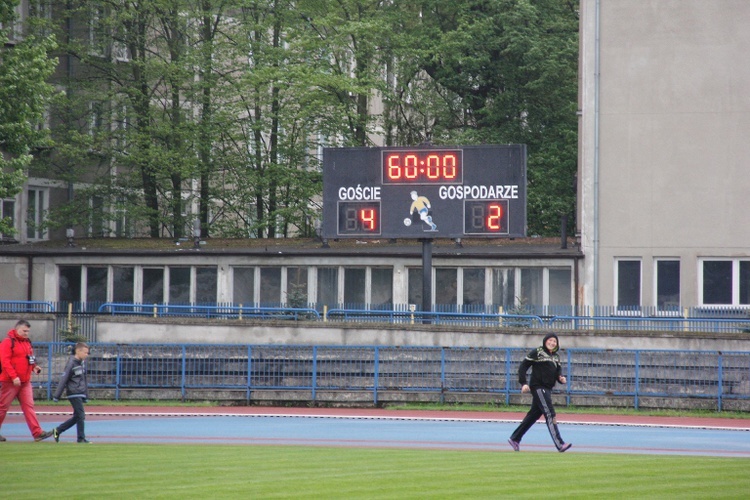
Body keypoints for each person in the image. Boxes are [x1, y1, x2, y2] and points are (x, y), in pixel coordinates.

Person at [508, 333, 572, 452]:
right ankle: (560, 444)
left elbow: (558, 372)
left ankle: (515, 438)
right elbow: (523, 366)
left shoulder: (556, 357)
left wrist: (561, 378)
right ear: (545, 341)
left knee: (534, 415)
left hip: (547, 388)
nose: (552, 343)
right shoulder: (537, 352)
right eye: (550, 340)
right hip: (538, 387)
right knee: (549, 413)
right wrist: (523, 383)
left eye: (554, 341)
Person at [0, 319, 53, 442]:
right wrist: (14, 377)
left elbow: (29, 358)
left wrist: (34, 367)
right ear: (17, 329)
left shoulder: (27, 342)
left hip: (24, 381)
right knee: (3, 408)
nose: (26, 333)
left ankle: (37, 433)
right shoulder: (7, 343)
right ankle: (37, 433)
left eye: (28, 331)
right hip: (10, 382)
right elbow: (5, 362)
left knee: (29, 407)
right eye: (24, 331)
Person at [50, 342, 91, 444]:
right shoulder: (71, 363)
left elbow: (84, 380)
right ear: (78, 351)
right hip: (73, 393)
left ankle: (58, 430)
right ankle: (81, 438)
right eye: (85, 353)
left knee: (77, 416)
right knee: (81, 415)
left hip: (80, 393)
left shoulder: (81, 364)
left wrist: (85, 395)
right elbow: (64, 379)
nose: (87, 355)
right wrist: (57, 395)